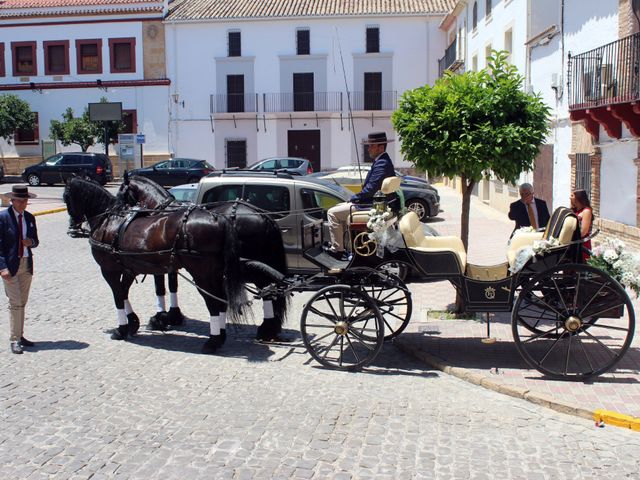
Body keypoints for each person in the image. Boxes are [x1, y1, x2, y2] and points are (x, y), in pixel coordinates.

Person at [326, 132, 396, 260]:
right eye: (368, 146)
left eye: (371, 146)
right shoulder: (382, 161)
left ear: (380, 147)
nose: (368, 148)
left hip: (369, 204)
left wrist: (354, 198)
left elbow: (371, 189)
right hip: (373, 203)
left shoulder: (382, 163)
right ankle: (348, 248)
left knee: (332, 213)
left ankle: (338, 250)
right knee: (339, 207)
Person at [0, 185, 39, 354]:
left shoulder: (29, 218)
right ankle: (15, 339)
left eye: (25, 201)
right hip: (10, 266)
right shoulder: (3, 218)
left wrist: (31, 242)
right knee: (15, 303)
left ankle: (20, 335)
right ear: (12, 200)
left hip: (26, 264)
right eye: (20, 201)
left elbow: (36, 241)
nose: (23, 204)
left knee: (22, 302)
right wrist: (2, 268)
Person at [570, 189, 593, 261]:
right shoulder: (574, 210)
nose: (570, 197)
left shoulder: (586, 211)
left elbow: (583, 232)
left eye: (572, 195)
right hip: (572, 243)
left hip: (581, 244)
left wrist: (570, 237)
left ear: (578, 197)